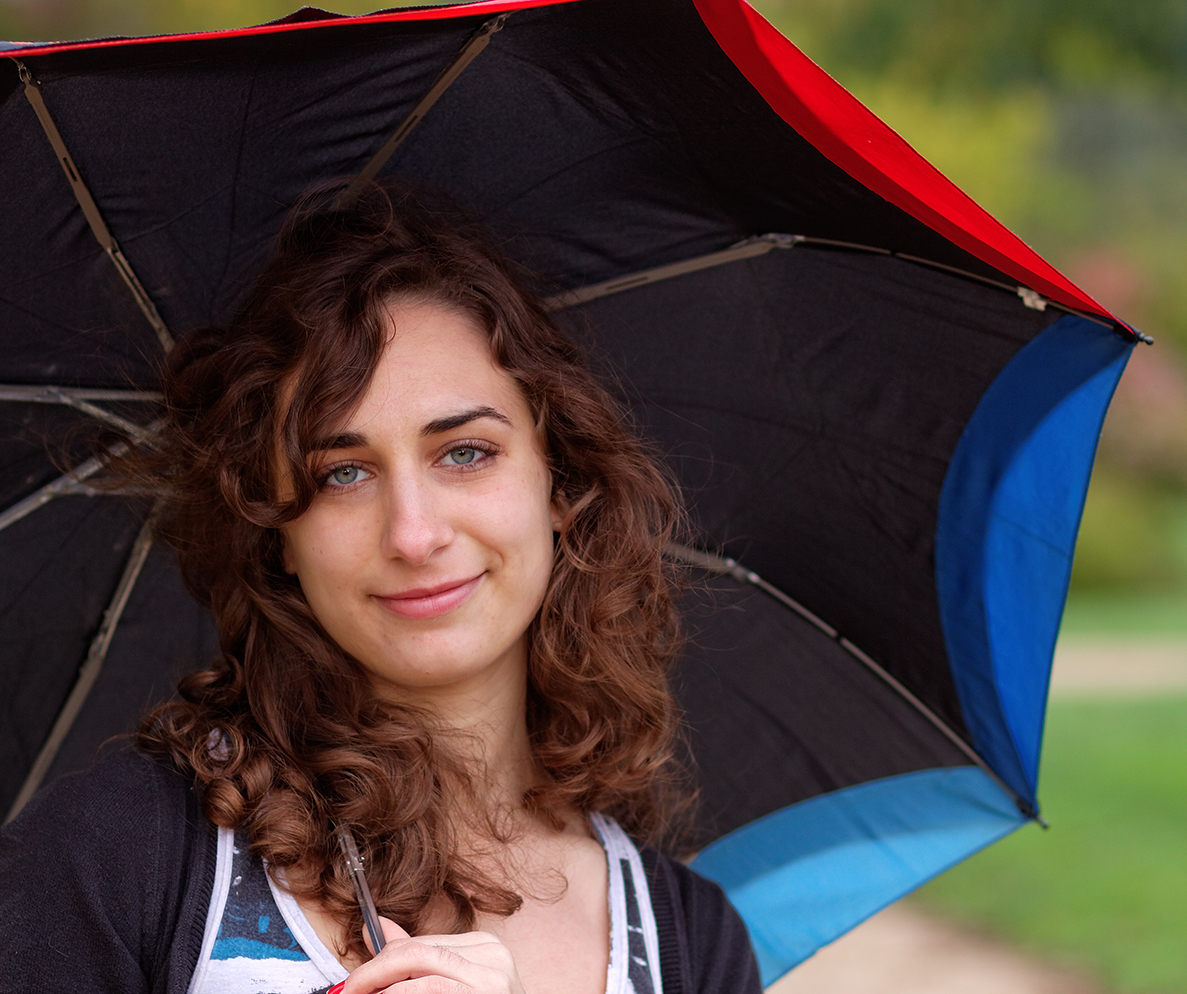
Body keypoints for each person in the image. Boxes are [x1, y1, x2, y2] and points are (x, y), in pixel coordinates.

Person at [0, 184, 761, 994]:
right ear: (277, 533)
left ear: (560, 485)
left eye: (465, 452)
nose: (413, 533)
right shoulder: (118, 855)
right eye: (343, 473)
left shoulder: (692, 940)